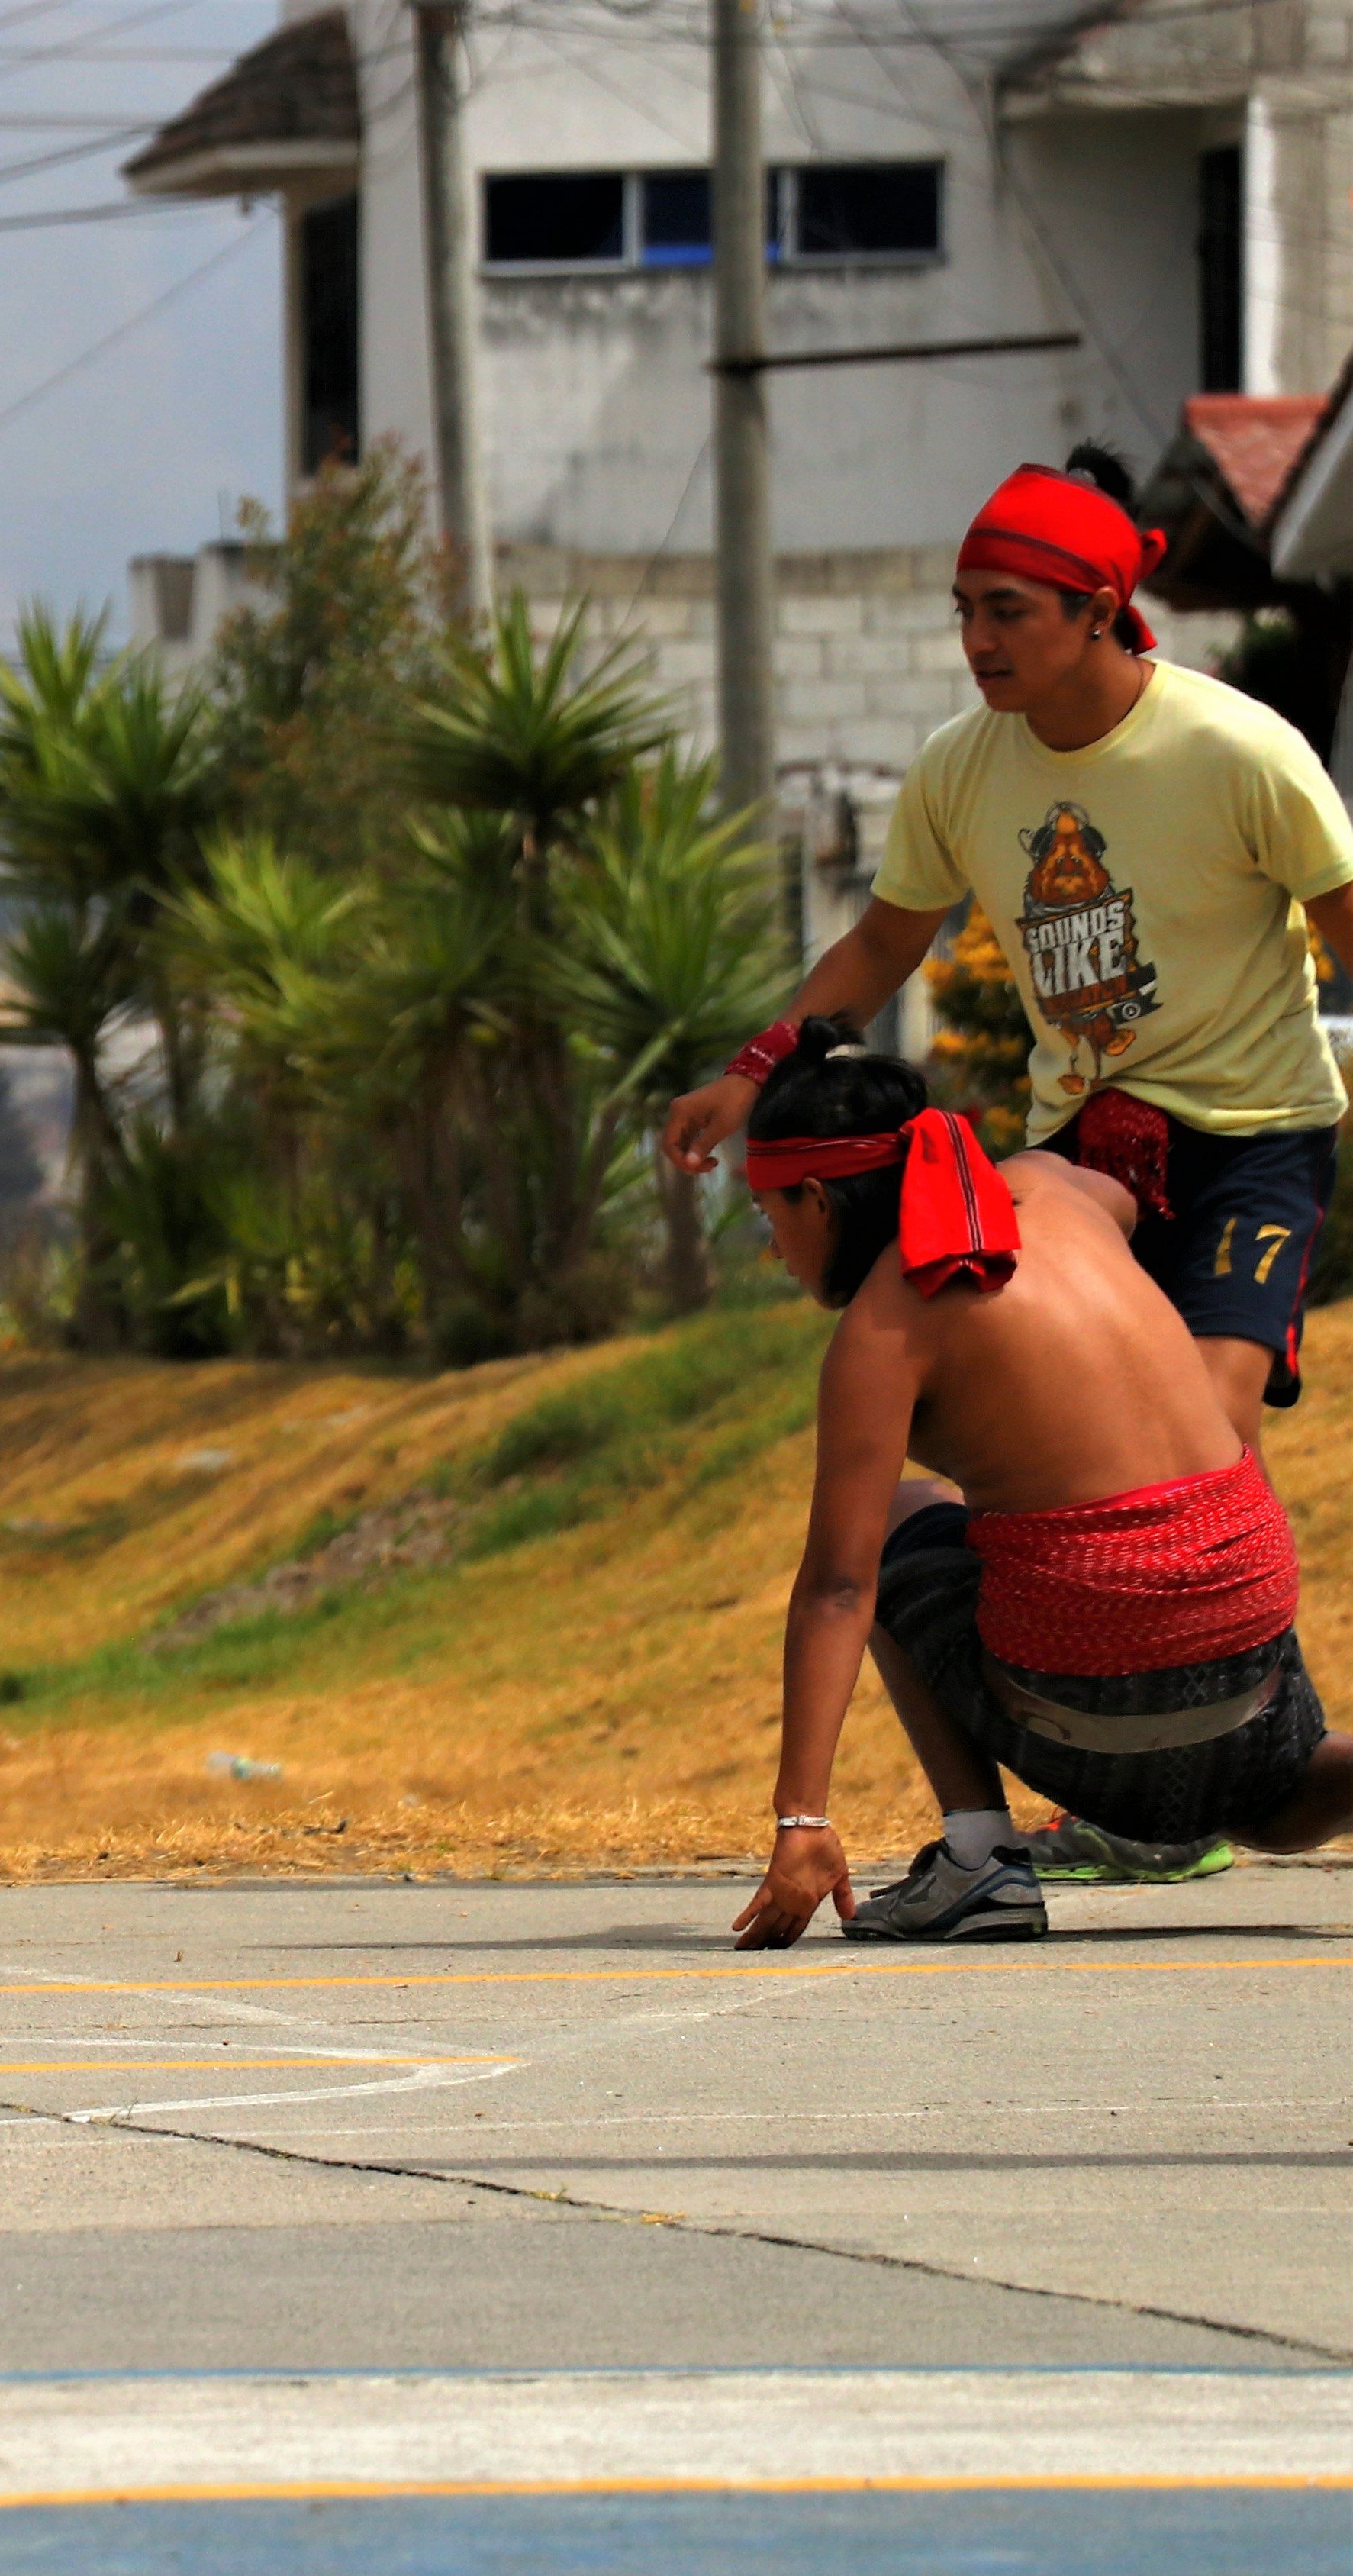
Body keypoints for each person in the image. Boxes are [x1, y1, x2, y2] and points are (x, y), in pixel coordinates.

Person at [662, 450, 1353, 1882]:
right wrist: (746, 1072)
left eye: (1008, 611)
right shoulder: (959, 770)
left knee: (1207, 1426)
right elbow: (876, 950)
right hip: (1079, 1147)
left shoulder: (1237, 752)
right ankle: (1144, 1755)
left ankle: (1221, 1735)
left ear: (1100, 607)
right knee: (1048, 1447)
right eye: (962, 609)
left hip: (1244, 1142)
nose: (976, 640)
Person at [726, 1020, 1353, 1953]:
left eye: (768, 1215)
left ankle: (978, 1859)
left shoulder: (884, 1327)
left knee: (900, 1516)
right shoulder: (1052, 1190)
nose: (772, 1247)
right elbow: (1122, 1200)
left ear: (818, 1199)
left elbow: (835, 1588)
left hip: (1094, 1702)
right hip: (1248, 1652)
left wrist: (799, 1820)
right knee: (1260, 1803)